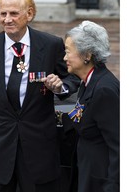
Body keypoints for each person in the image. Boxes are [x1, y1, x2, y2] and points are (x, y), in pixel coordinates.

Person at [0, 0, 80, 192]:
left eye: (14, 13)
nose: (7, 19)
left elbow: (73, 78)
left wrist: (61, 87)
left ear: (30, 14)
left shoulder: (50, 45)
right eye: (3, 13)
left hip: (40, 153)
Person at [58, 20, 120, 192]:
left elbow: (118, 145)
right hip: (86, 173)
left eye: (68, 51)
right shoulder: (87, 83)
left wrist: (112, 186)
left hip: (100, 182)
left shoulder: (104, 89)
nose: (64, 58)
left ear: (87, 55)